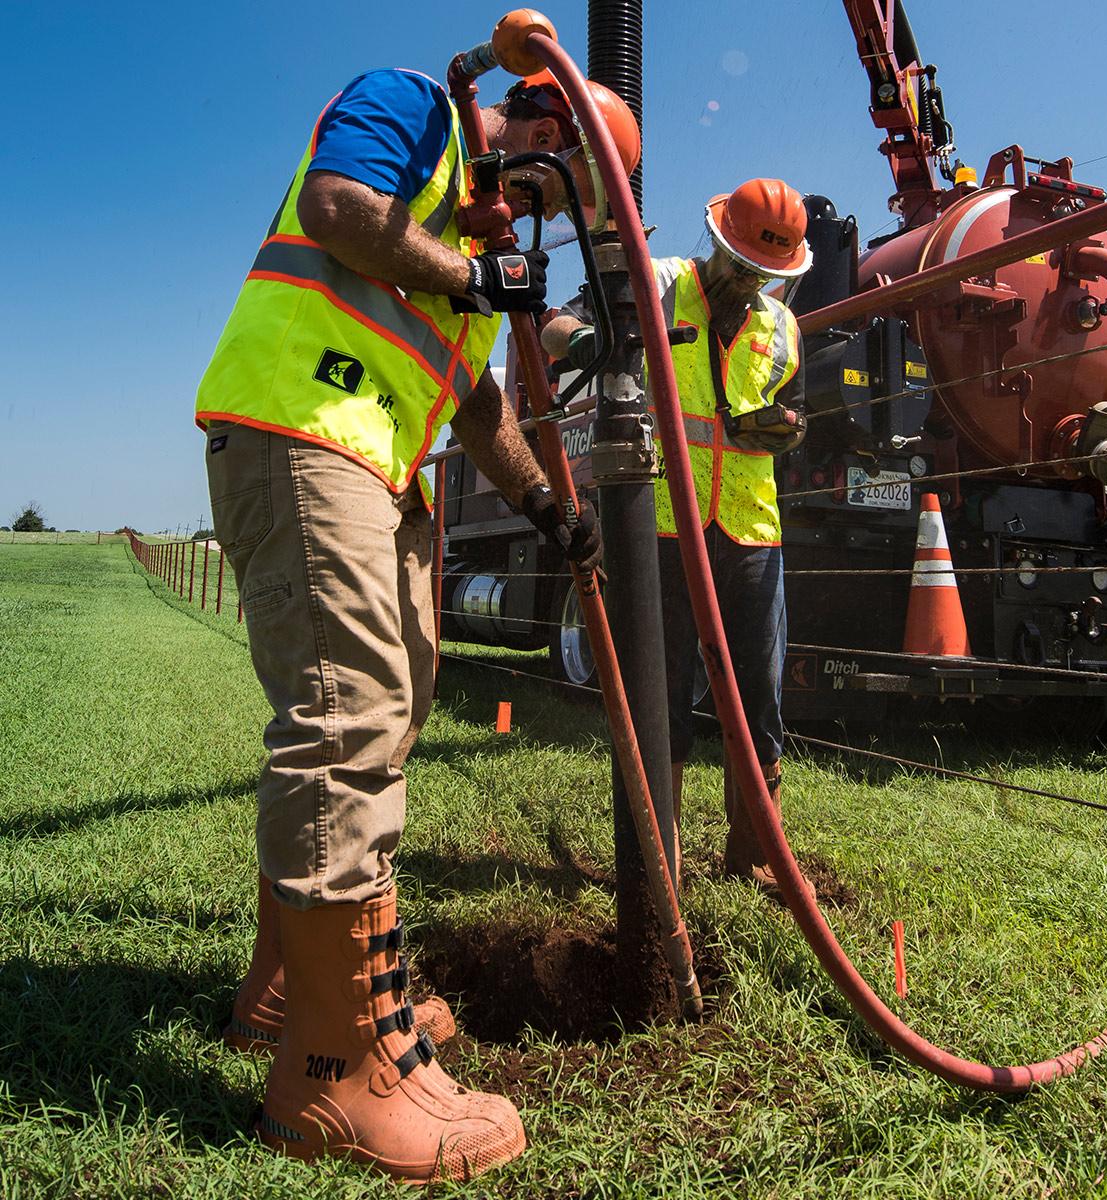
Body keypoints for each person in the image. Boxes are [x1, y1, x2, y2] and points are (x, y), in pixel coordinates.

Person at [195, 66, 639, 1184]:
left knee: (391, 715)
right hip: (306, 423)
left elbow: (475, 400)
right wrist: (479, 272)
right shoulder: (413, 109)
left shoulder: (467, 241)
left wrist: (546, 506)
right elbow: (335, 209)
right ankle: (335, 1073)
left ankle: (293, 991)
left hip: (375, 465)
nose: (535, 216)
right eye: (551, 190)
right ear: (537, 124)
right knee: (346, 721)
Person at [542, 178, 808, 898]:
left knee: (759, 696)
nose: (749, 281)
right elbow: (555, 326)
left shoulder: (783, 327)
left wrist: (783, 429)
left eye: (765, 272)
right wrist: (595, 343)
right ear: (717, 242)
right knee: (661, 694)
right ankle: (661, 857)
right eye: (741, 264)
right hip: (660, 524)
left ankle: (754, 854)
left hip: (751, 530)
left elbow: (791, 413)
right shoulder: (657, 283)